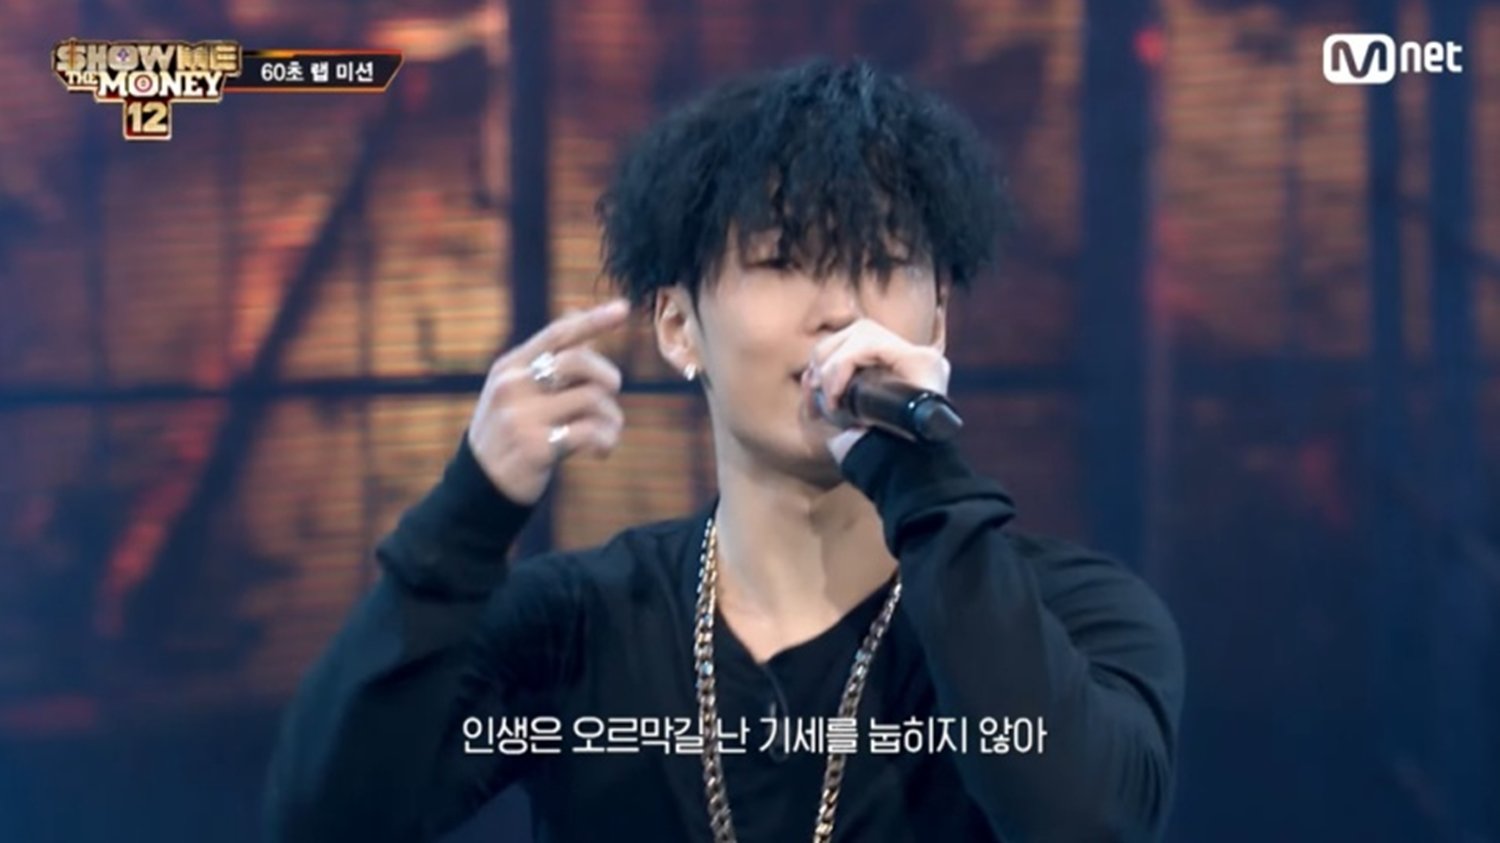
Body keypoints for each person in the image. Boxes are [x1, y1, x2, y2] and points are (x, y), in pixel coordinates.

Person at [263, 59, 1185, 843]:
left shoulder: (1074, 618)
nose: (841, 311)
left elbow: (1084, 822)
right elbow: (326, 820)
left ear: (938, 316)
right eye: (784, 261)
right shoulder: (578, 627)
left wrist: (921, 470)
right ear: (678, 326)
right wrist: (466, 516)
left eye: (883, 264)